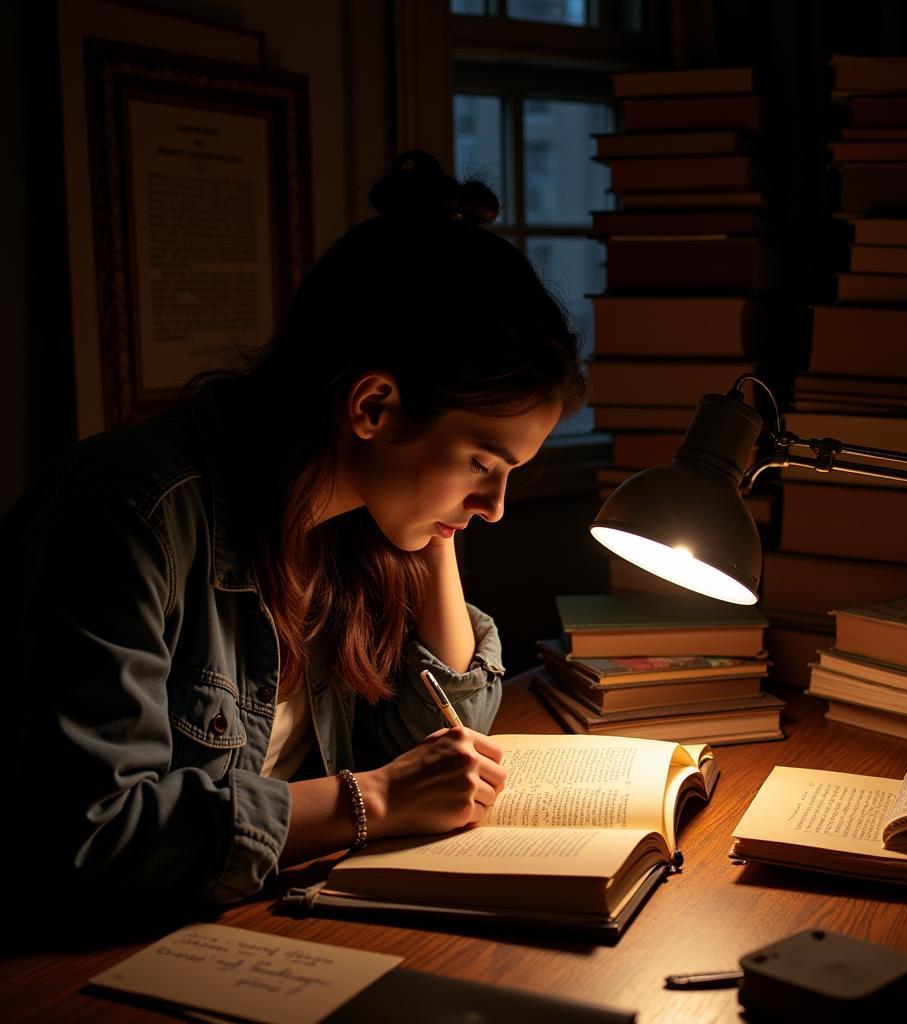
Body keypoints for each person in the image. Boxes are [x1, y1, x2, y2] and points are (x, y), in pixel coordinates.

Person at [3, 151, 586, 916]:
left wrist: (439, 526)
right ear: (373, 407)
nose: (497, 505)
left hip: (263, 916)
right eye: (483, 462)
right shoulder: (130, 515)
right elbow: (90, 839)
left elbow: (438, 733)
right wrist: (367, 799)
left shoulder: (351, 520)